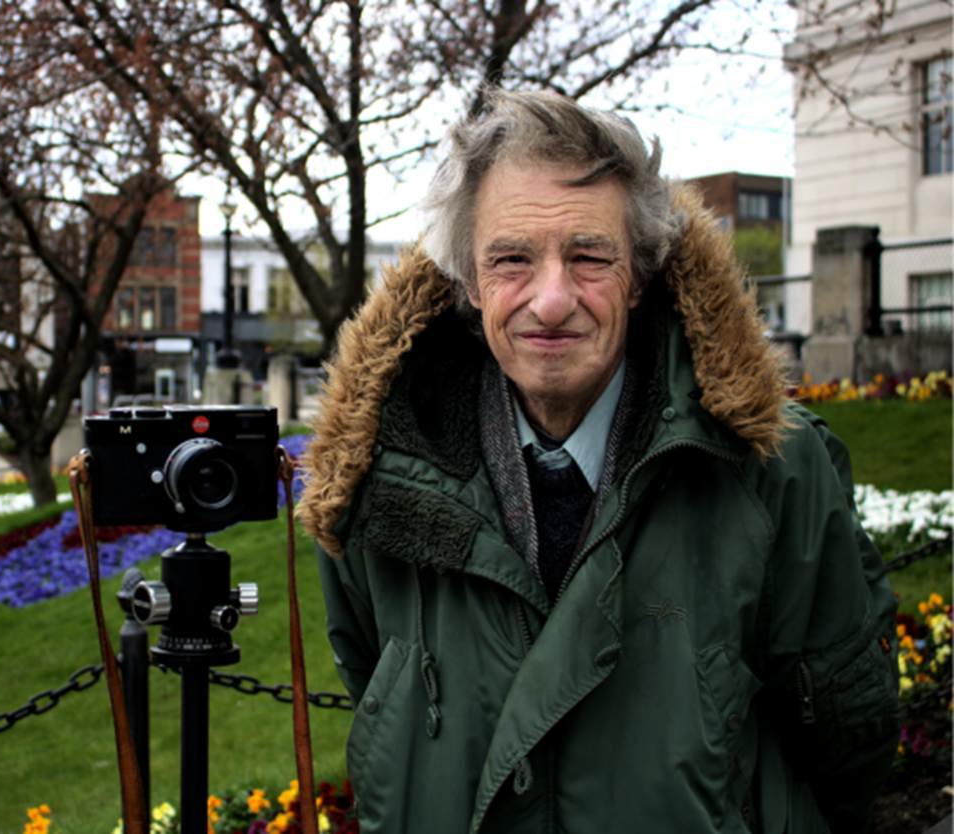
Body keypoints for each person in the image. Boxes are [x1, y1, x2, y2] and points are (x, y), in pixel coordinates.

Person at [298, 89, 899, 834]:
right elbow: (373, 689)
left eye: (589, 257)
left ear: (639, 276)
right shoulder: (376, 474)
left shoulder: (772, 466)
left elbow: (847, 734)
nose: (551, 300)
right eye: (512, 259)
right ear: (469, 280)